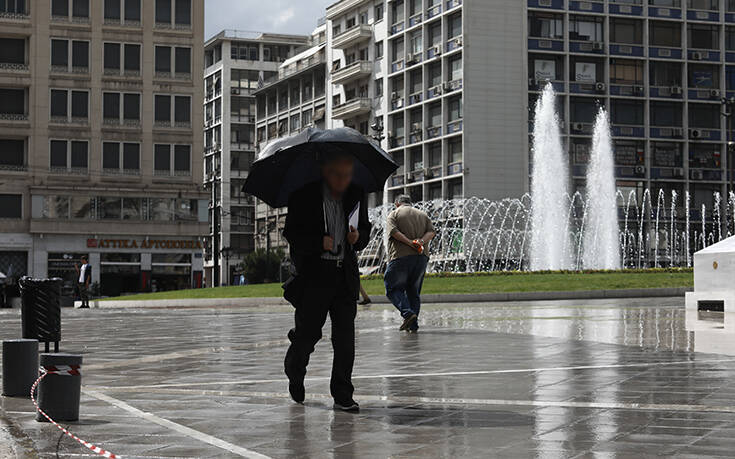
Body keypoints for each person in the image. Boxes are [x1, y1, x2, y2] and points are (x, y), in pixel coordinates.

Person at [282, 152, 371, 412]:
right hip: (315, 277)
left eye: (347, 174)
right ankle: (294, 368)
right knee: (308, 335)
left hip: (345, 276)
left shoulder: (356, 193)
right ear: (325, 172)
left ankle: (343, 394)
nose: (343, 180)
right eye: (338, 174)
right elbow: (292, 234)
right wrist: (317, 242)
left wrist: (358, 238)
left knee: (345, 339)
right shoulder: (303, 195)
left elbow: (364, 228)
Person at [384, 195, 435, 333]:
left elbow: (394, 232)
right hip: (421, 257)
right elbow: (431, 232)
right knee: (414, 291)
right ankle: (413, 325)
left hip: (401, 256)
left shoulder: (394, 214)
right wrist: (421, 242)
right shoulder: (422, 214)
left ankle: (407, 314)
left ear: (397, 203)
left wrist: (409, 243)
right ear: (410, 203)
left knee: (392, 288)